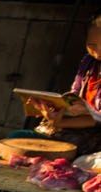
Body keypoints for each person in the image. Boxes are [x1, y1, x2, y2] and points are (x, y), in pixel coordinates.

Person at [29, 13, 101, 155]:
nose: (98, 52)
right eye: (91, 45)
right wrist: (56, 109)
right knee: (20, 137)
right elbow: (74, 93)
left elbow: (97, 120)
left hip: (96, 134)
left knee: (59, 148)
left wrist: (61, 123)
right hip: (76, 125)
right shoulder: (88, 61)